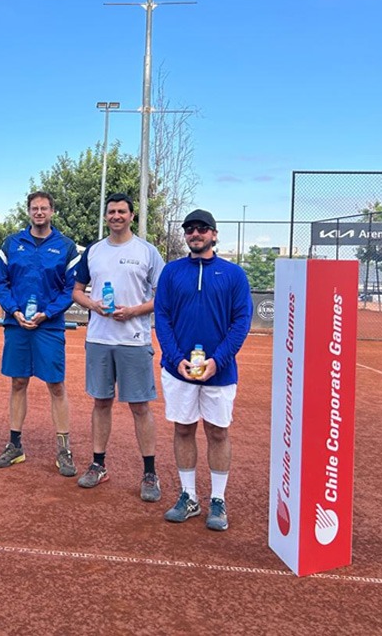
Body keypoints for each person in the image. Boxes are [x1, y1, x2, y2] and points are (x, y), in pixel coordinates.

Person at [154, 209, 252, 532]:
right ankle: (189, 496)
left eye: (202, 228)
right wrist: (175, 358)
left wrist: (217, 361)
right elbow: (162, 317)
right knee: (183, 429)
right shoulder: (171, 272)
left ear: (214, 234)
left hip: (219, 373)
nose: (195, 234)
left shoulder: (234, 275)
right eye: (189, 229)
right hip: (178, 369)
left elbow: (241, 321)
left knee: (218, 432)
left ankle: (218, 499)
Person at [72, 193, 166, 501]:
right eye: (111, 211)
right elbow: (76, 291)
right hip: (99, 339)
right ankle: (98, 465)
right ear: (106, 216)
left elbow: (163, 296)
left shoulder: (147, 251)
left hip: (134, 340)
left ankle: (149, 473)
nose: (116, 216)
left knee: (140, 407)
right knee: (101, 403)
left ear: (131, 216)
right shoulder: (93, 251)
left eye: (122, 211)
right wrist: (93, 305)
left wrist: (135, 311)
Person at [0, 191, 79, 476]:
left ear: (52, 211)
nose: (39, 212)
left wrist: (47, 313)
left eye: (44, 208)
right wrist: (14, 310)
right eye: (34, 208)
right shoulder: (12, 243)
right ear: (28, 211)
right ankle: (15, 445)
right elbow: (0, 281)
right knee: (18, 382)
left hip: (49, 326)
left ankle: (64, 449)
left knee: (56, 385)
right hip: (17, 324)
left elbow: (71, 289)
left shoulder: (66, 247)